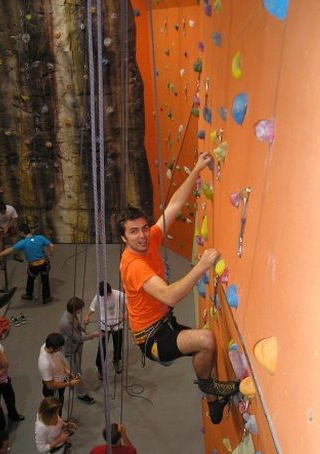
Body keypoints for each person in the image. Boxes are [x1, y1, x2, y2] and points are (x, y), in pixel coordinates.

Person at [118, 152, 239, 425]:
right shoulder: (134, 265)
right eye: (133, 232)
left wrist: (196, 169)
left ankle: (212, 400)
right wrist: (202, 265)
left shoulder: (149, 239)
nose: (142, 235)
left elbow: (174, 204)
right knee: (205, 340)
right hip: (152, 337)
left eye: (144, 228)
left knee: (204, 346)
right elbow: (169, 295)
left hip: (164, 322)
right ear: (123, 238)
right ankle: (211, 390)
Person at [0, 224, 54, 304]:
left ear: (22, 233)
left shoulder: (23, 242)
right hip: (44, 263)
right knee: (45, 280)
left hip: (33, 266)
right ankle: (46, 298)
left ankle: (29, 295)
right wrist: (50, 255)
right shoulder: (40, 238)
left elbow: (10, 250)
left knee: (30, 279)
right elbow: (51, 245)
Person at [59, 297, 101, 405]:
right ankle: (81, 394)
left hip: (76, 347)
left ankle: (72, 379)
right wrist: (94, 335)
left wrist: (83, 329)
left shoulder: (71, 314)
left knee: (77, 368)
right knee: (76, 373)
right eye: (79, 309)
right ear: (75, 309)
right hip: (70, 350)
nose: (80, 311)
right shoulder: (66, 322)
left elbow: (77, 326)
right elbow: (78, 338)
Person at [84, 282, 126, 378]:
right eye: (103, 296)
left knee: (118, 345)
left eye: (107, 295)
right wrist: (87, 315)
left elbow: (130, 302)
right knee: (102, 348)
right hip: (104, 327)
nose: (105, 297)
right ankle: (100, 367)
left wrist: (126, 313)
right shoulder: (99, 297)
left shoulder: (118, 294)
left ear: (110, 291)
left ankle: (116, 361)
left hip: (117, 326)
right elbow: (92, 308)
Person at [38, 333, 81, 413]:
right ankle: (58, 419)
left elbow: (59, 361)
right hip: (55, 390)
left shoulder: (46, 346)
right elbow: (50, 386)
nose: (61, 349)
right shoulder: (45, 364)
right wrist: (70, 383)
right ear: (51, 348)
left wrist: (70, 372)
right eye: (59, 348)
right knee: (57, 408)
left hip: (61, 381)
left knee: (61, 400)